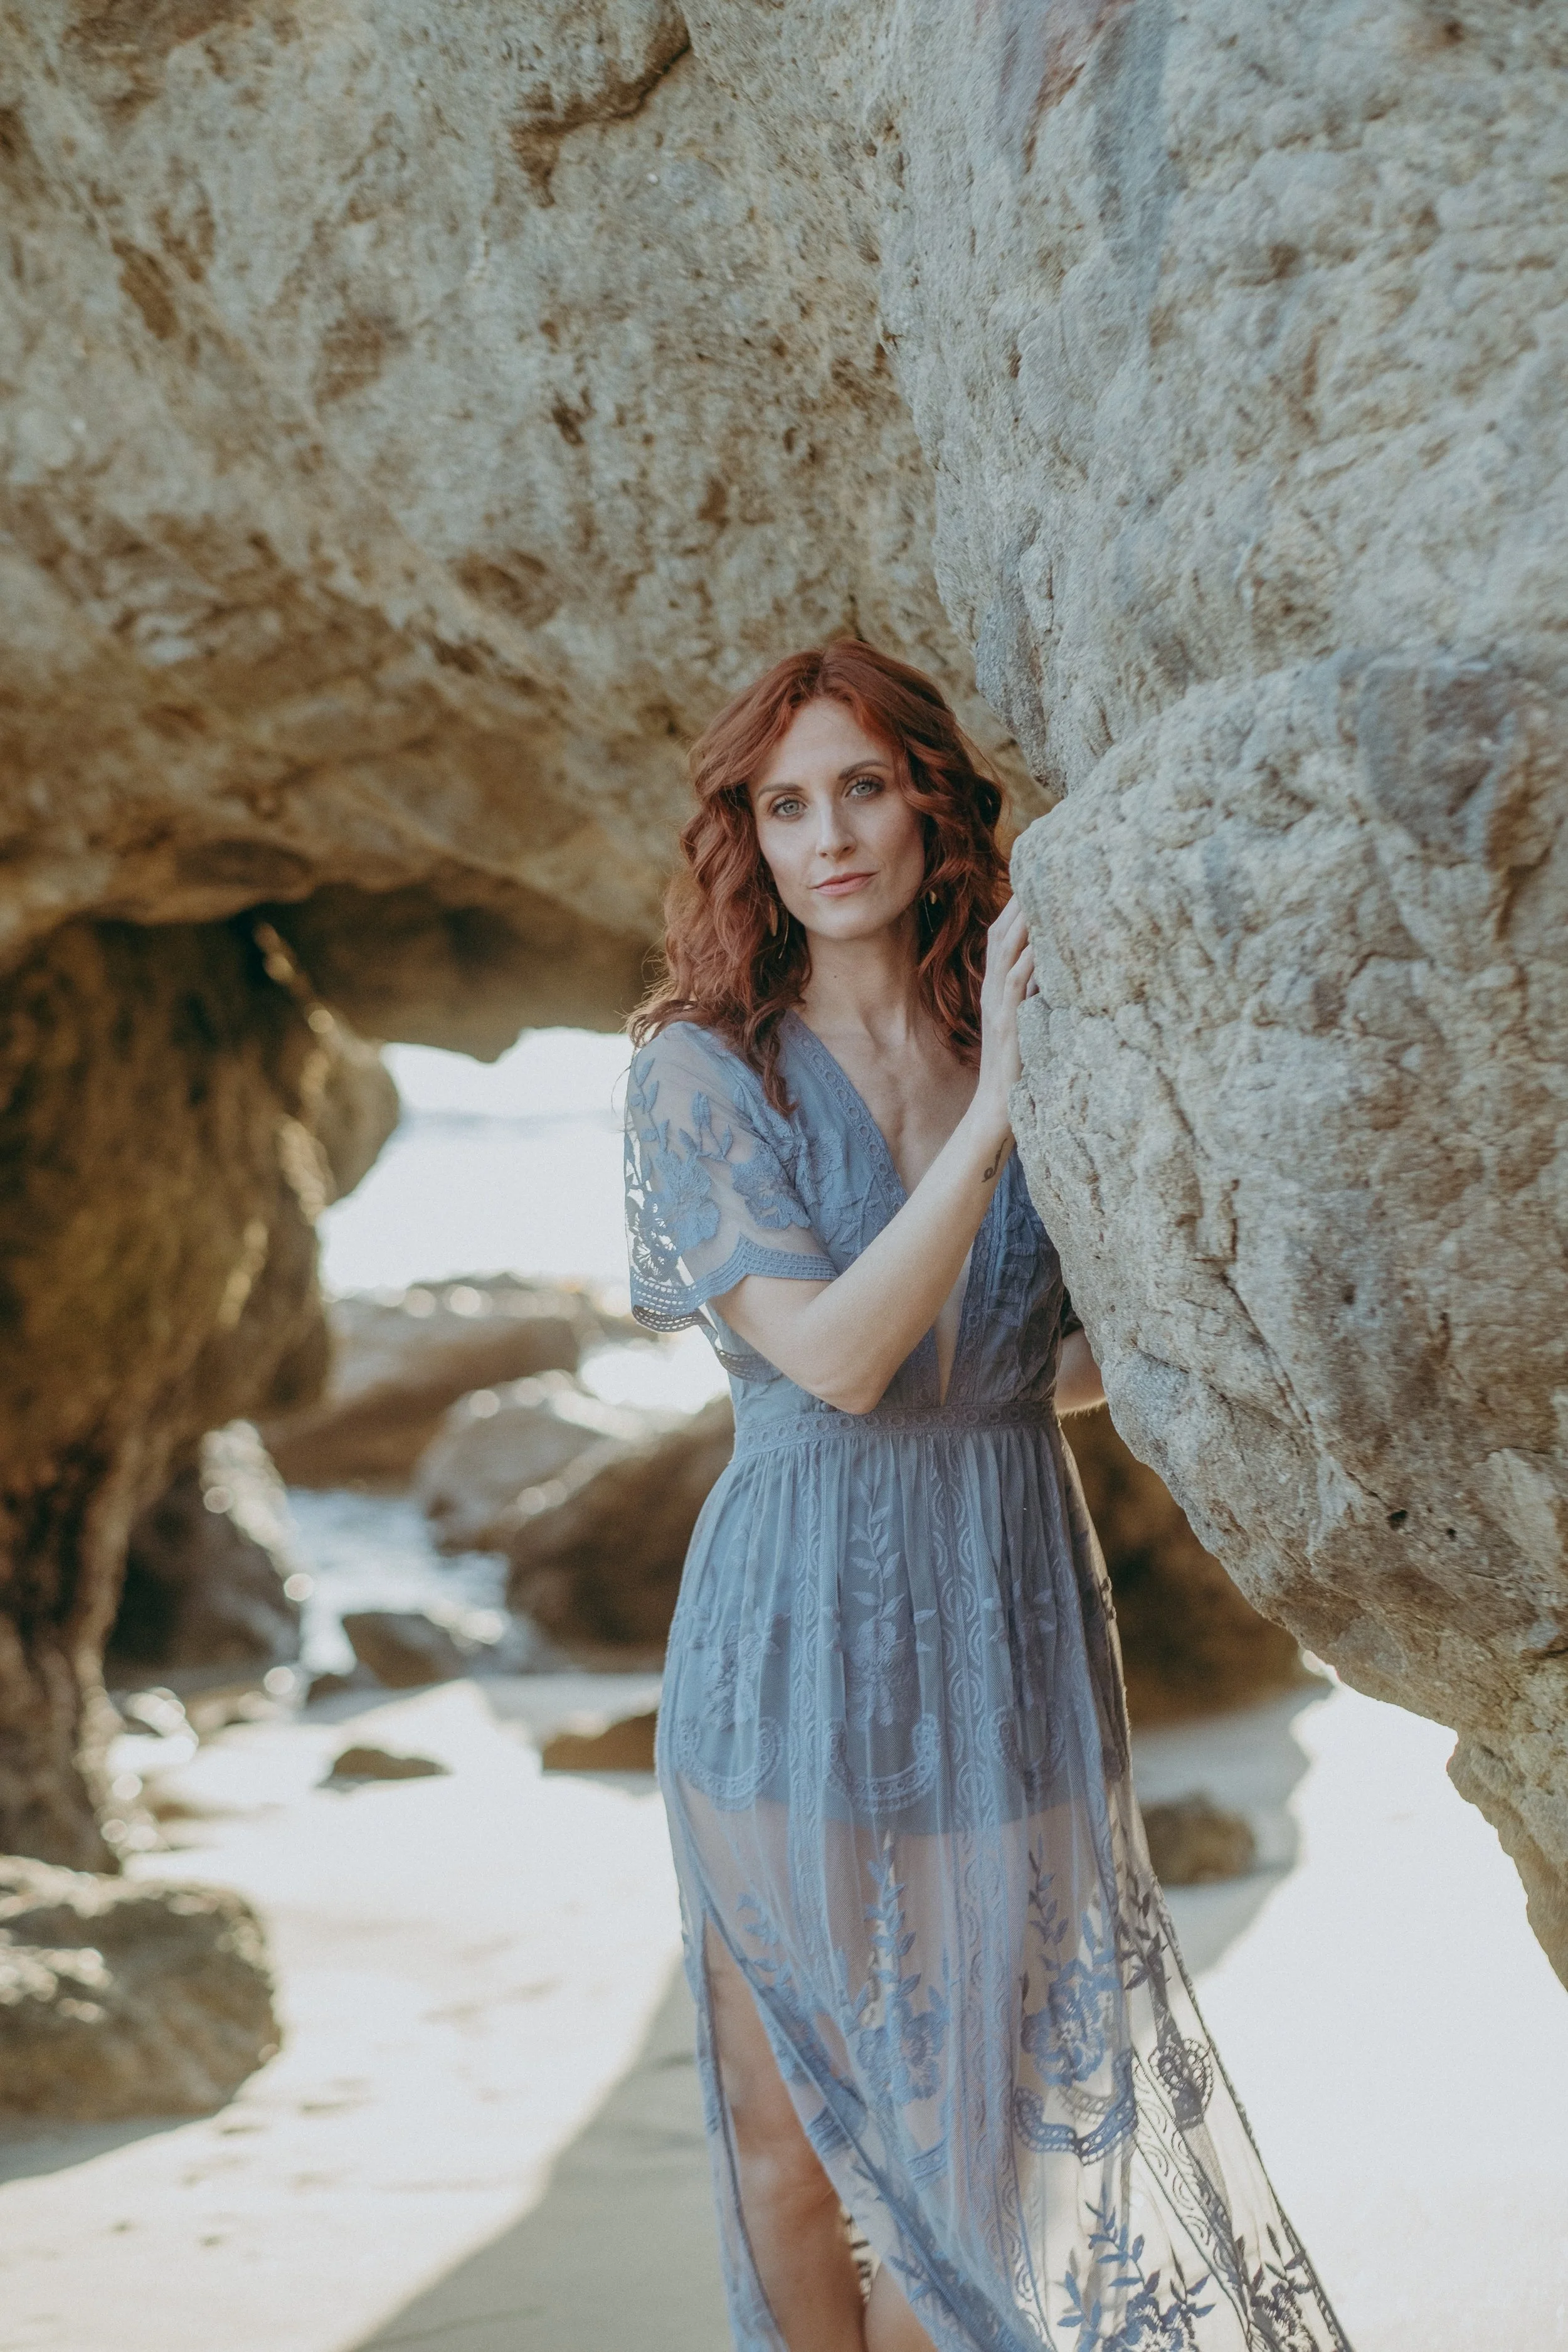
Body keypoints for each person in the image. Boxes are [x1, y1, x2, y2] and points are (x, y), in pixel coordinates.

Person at [623, 642, 1349, 2352]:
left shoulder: (1013, 1038)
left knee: (982, 2161)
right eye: (784, 803)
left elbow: (1035, 1356)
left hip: (1002, 1615)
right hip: (784, 1645)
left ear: (928, 802)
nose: (830, 835)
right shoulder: (699, 1071)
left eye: (861, 786)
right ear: (750, 835)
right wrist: (994, 1117)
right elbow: (837, 1359)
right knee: (789, 2141)